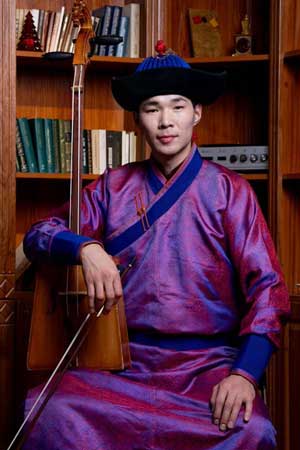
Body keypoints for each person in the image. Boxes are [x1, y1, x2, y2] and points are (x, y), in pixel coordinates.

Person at [22, 41, 290, 450]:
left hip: (207, 366)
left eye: (178, 106)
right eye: (152, 109)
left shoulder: (231, 192)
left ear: (196, 112)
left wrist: (244, 374)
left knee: (252, 431)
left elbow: (269, 291)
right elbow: (39, 233)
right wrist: (85, 248)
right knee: (48, 410)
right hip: (121, 367)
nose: (166, 121)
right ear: (137, 121)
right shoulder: (112, 186)